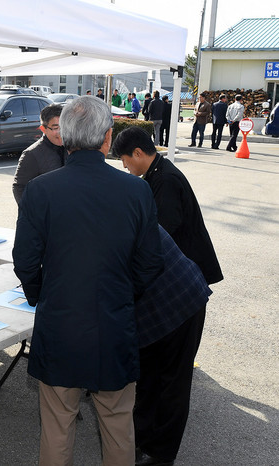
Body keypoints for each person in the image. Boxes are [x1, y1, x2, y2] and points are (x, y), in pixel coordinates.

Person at [13, 96, 164, 466]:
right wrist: (122, 293)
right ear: (108, 137)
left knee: (57, 425)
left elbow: (25, 260)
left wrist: (41, 295)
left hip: (60, 322)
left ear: (64, 136)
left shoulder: (41, 190)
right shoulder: (137, 189)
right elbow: (150, 262)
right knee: (117, 423)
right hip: (114, 322)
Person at [113, 126, 223, 466]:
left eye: (125, 160)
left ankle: (161, 454)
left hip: (180, 293)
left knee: (172, 381)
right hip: (168, 288)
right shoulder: (150, 180)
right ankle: (142, 439)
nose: (125, 168)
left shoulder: (166, 181)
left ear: (138, 153)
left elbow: (158, 244)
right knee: (150, 376)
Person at [12, 105, 65, 203]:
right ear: (43, 129)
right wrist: (33, 211)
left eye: (64, 127)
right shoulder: (31, 154)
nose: (61, 132)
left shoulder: (73, 147)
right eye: (56, 128)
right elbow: (19, 188)